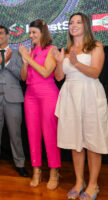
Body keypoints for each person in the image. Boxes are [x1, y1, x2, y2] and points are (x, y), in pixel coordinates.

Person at [53, 13, 108, 200]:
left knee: (92, 143)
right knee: (75, 143)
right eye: (71, 23)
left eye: (78, 22)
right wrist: (60, 63)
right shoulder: (66, 50)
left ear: (86, 25)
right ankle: (79, 182)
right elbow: (59, 77)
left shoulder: (96, 46)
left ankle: (93, 185)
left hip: (91, 97)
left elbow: (95, 73)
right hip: (70, 98)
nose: (73, 25)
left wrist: (76, 64)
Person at [18, 19, 61, 190]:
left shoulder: (52, 49)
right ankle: (36, 170)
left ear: (43, 33)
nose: (31, 35)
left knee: (50, 133)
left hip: (48, 94)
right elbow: (23, 77)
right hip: (30, 95)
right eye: (30, 33)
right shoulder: (31, 51)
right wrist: (25, 61)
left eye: (34, 32)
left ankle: (54, 171)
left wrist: (29, 58)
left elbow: (45, 72)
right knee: (32, 133)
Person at [0, 25, 28, 177]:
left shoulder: (17, 54)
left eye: (1, 33)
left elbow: (22, 76)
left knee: (15, 133)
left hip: (13, 98)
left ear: (8, 35)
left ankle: (20, 163)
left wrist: (7, 62)